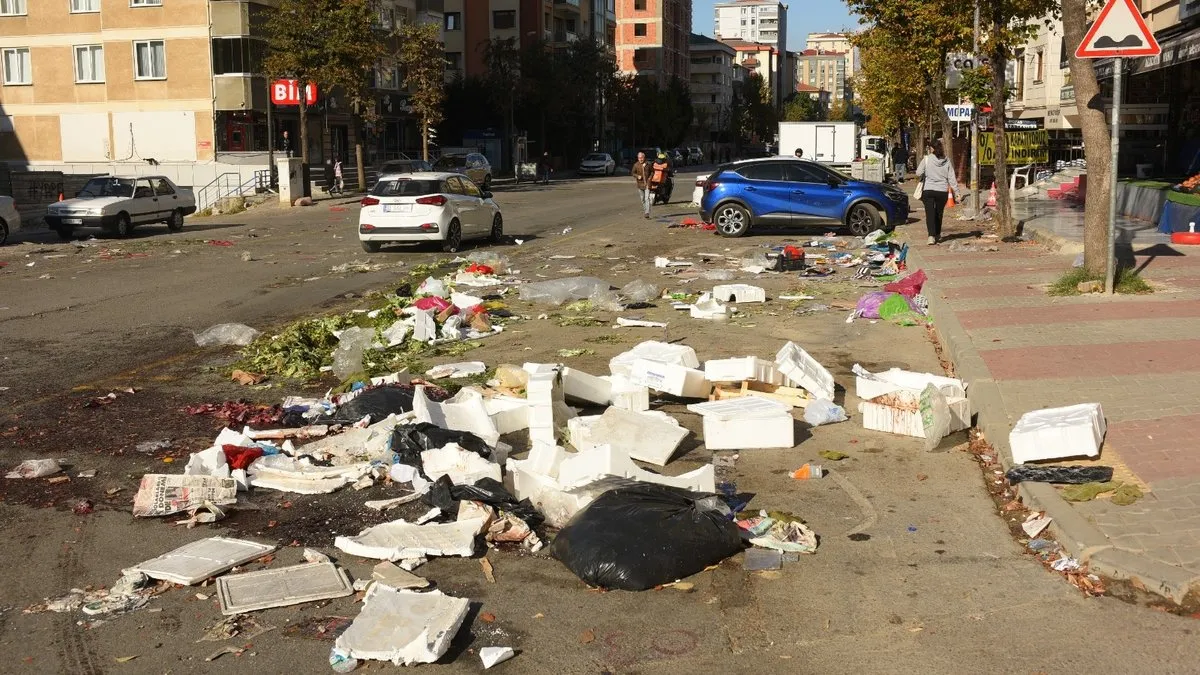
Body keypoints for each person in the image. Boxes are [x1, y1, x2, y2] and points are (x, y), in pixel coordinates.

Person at [915, 140, 958, 245]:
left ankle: (931, 236)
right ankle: (937, 234)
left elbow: (918, 173)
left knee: (930, 213)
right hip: (942, 191)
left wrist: (927, 172)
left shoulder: (927, 159)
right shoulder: (947, 160)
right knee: (939, 213)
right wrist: (957, 192)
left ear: (932, 149)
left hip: (928, 190)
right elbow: (951, 177)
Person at [631, 151, 652, 219]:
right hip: (640, 184)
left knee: (647, 198)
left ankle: (647, 213)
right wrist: (637, 176)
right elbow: (632, 173)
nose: (640, 159)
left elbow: (652, 172)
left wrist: (650, 178)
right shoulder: (636, 165)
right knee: (642, 199)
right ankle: (645, 211)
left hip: (647, 183)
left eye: (642, 158)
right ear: (638, 158)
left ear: (644, 157)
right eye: (639, 158)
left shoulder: (648, 164)